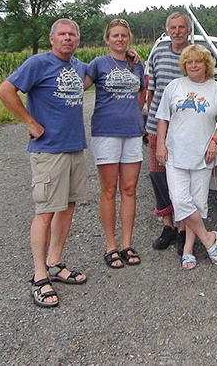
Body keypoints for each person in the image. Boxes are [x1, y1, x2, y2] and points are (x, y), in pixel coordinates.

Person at [0, 19, 88, 308]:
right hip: (49, 151)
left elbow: (100, 72)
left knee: (68, 207)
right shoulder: (38, 63)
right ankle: (39, 276)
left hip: (74, 147)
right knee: (46, 211)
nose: (67, 38)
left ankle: (55, 262)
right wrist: (31, 123)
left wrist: (132, 57)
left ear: (77, 40)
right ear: (52, 39)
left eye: (72, 34)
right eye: (62, 34)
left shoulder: (79, 67)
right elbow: (5, 91)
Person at [155, 44, 217, 270]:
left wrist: (215, 141)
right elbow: (163, 118)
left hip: (203, 154)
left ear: (206, 64)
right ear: (184, 65)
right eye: (189, 62)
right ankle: (208, 238)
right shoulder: (174, 86)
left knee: (197, 202)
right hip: (176, 153)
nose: (193, 65)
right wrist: (160, 145)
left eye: (198, 61)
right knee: (179, 200)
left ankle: (188, 249)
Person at [84, 19, 145, 269]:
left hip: (132, 132)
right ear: (107, 39)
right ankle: (111, 246)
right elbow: (79, 88)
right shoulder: (99, 64)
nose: (120, 39)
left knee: (129, 190)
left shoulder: (136, 63)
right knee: (109, 190)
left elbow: (141, 92)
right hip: (106, 133)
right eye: (115, 35)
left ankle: (127, 243)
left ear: (129, 38)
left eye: (123, 35)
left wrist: (133, 114)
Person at [146, 11, 192, 251]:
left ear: (189, 30)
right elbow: (151, 91)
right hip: (158, 127)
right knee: (159, 177)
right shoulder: (158, 53)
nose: (177, 31)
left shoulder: (195, 55)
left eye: (181, 27)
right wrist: (150, 121)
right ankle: (168, 226)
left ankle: (184, 228)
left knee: (184, 179)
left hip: (187, 131)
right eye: (173, 27)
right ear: (167, 31)